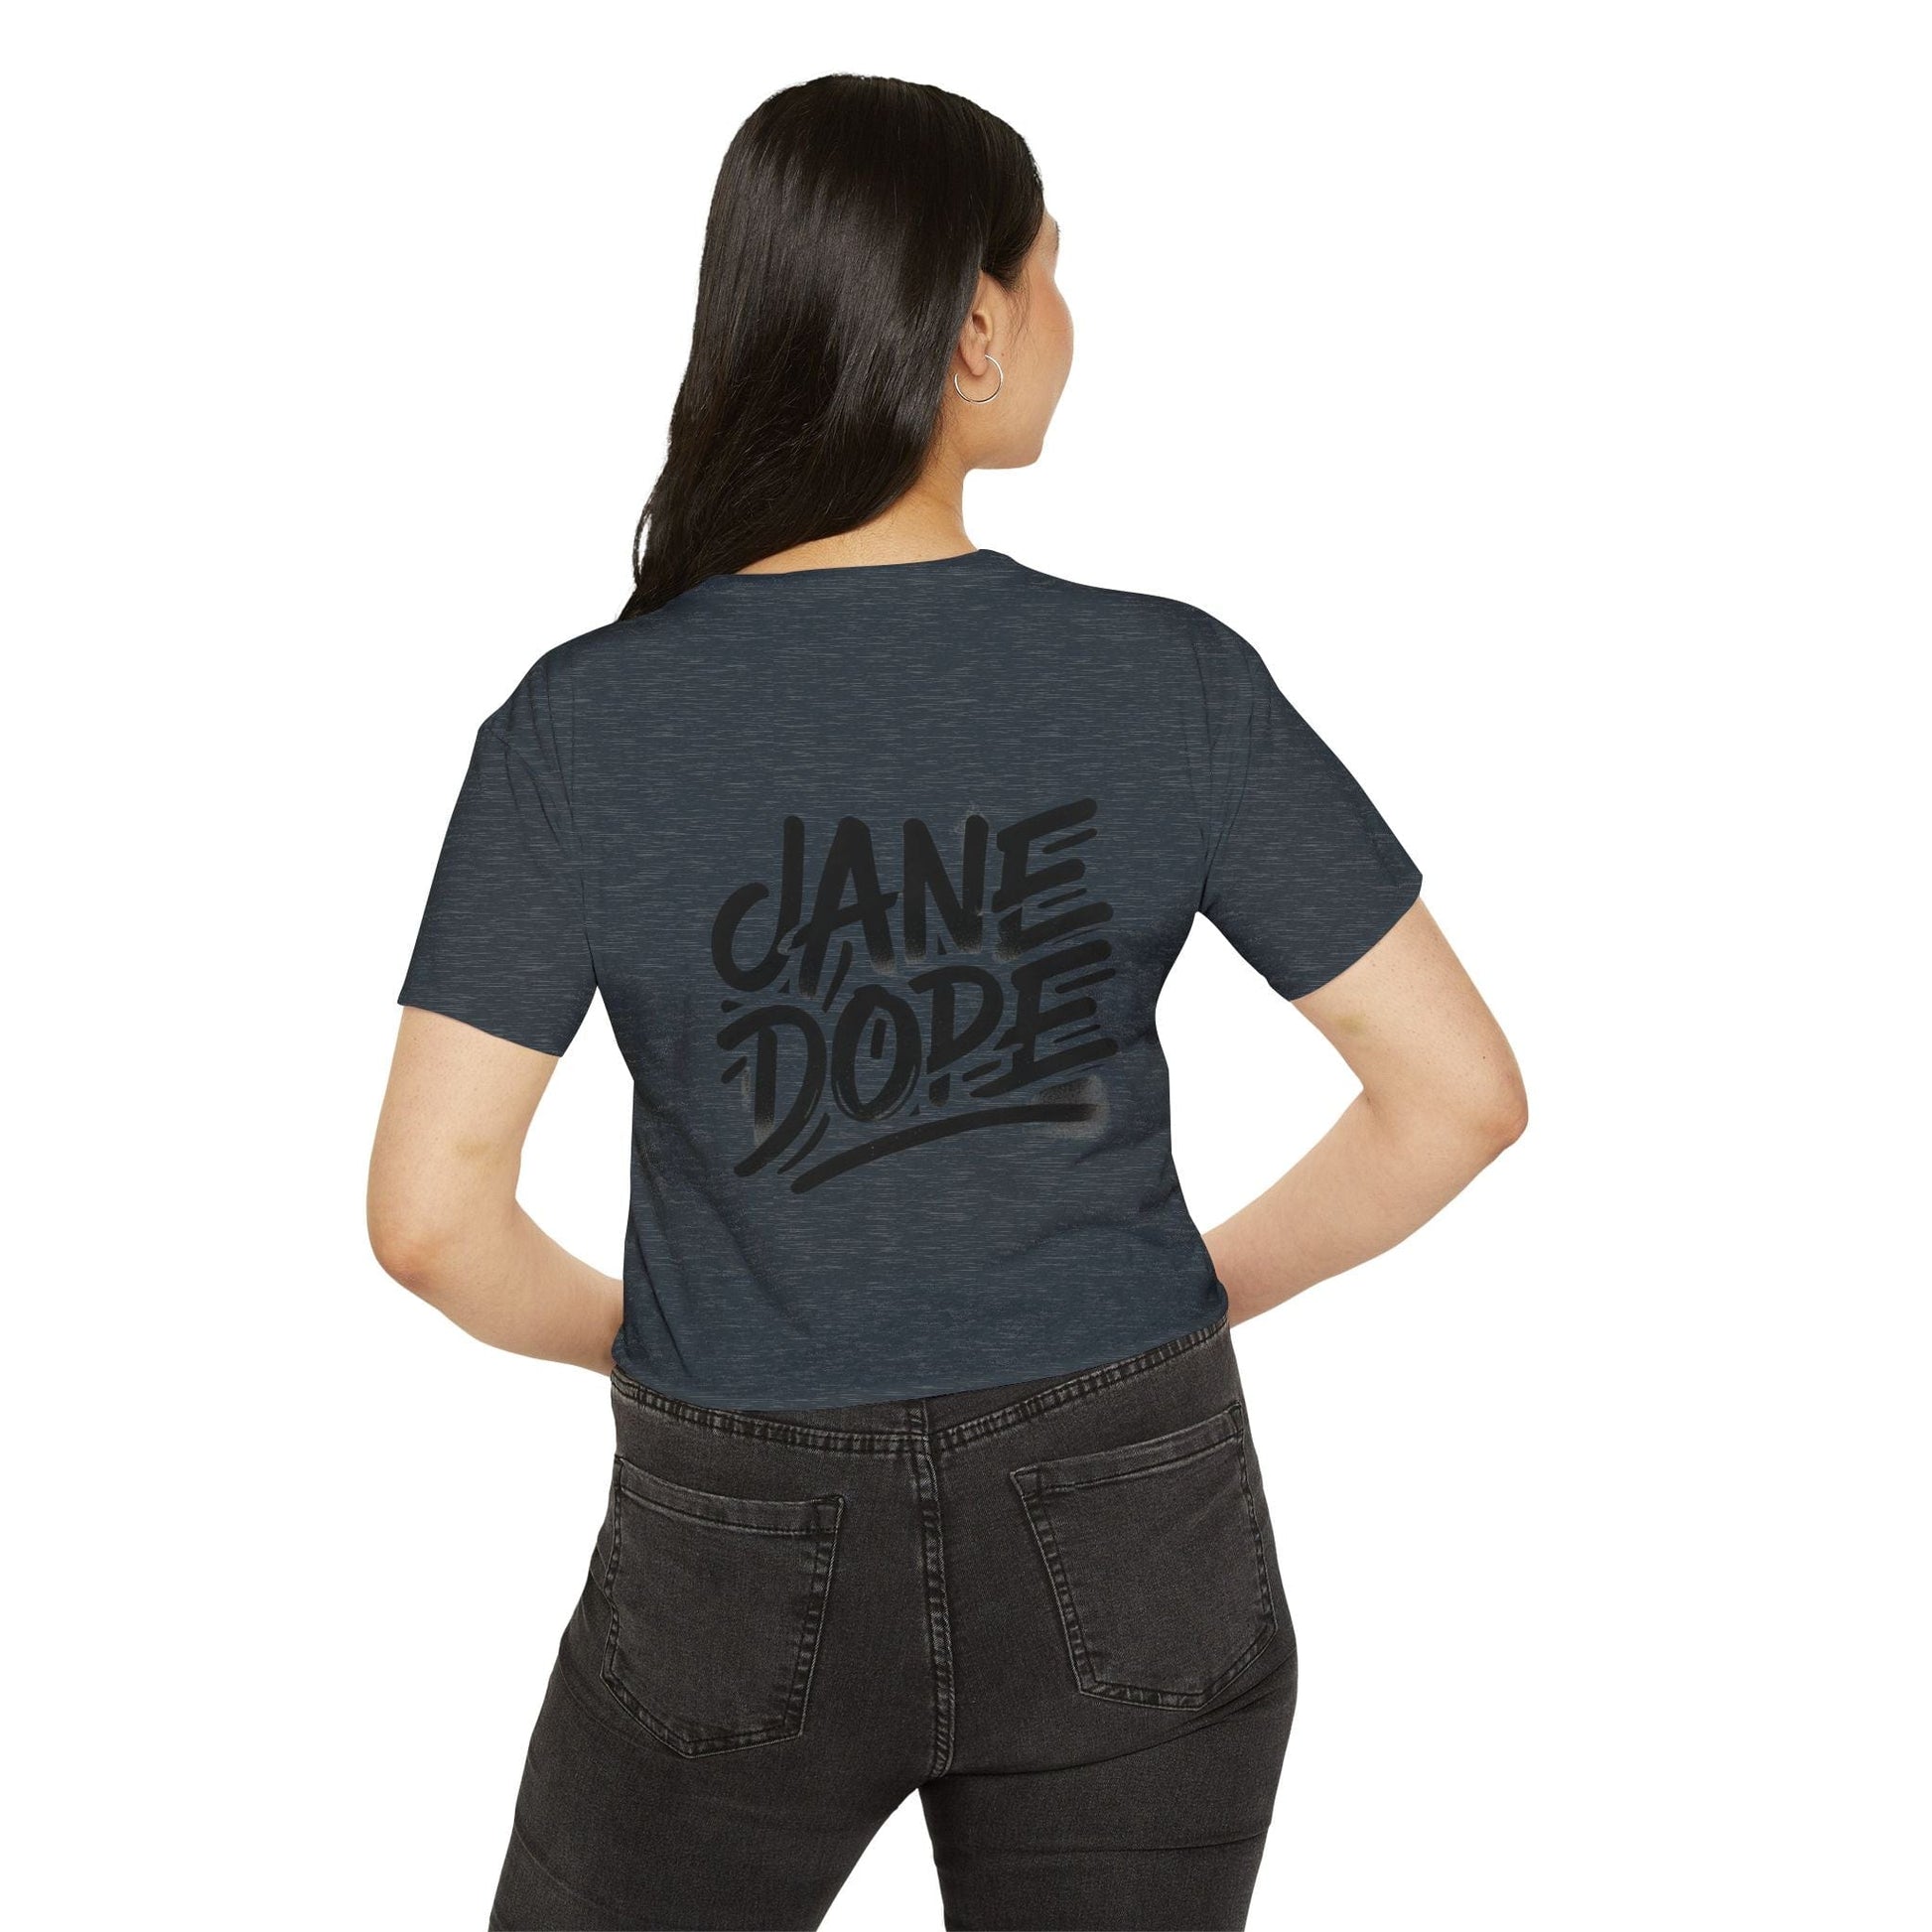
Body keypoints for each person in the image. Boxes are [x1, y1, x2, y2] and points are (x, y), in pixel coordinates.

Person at [368, 71, 1527, 1932]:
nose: (1068, 317)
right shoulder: (1171, 682)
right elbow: (1455, 1094)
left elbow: (430, 1217)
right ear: (974, 326)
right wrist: (1177, 1301)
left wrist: (648, 1337)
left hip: (735, 1521)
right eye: (1053, 272)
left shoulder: (580, 724)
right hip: (1135, 1507)